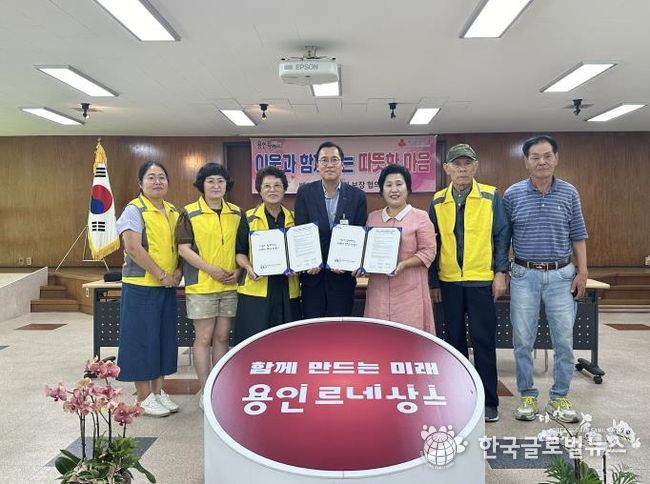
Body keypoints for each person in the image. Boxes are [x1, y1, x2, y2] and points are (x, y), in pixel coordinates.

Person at [504, 134, 588, 423]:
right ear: (526, 162)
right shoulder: (512, 194)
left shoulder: (569, 193)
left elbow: (578, 235)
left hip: (561, 276)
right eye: (535, 157)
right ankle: (527, 395)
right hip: (524, 275)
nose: (542, 161)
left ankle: (559, 397)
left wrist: (583, 272)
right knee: (522, 340)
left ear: (556, 158)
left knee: (563, 341)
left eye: (547, 156)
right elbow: (503, 238)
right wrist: (501, 271)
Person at [428, 144, 509, 423]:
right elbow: (433, 242)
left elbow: (501, 236)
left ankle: (488, 401)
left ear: (475, 166)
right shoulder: (438, 200)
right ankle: (460, 398)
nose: (462, 169)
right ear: (447, 168)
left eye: (467, 164)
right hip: (449, 281)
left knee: (483, 340)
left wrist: (501, 272)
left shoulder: (490, 195)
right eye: (456, 164)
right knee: (453, 341)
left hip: (480, 280)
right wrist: (434, 281)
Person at [116, 161, 181, 417]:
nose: (157, 182)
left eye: (162, 177)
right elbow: (133, 247)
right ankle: (143, 397)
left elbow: (180, 246)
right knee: (141, 340)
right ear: (140, 183)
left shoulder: (172, 210)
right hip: (141, 286)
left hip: (167, 286)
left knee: (163, 339)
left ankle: (158, 391)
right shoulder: (134, 209)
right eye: (151, 177)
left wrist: (177, 272)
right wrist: (161, 274)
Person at [176, 163, 241, 404]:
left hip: (230, 286)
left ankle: (218, 388)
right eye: (210, 181)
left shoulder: (237, 213)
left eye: (220, 181)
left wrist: (237, 271)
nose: (216, 186)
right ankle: (205, 390)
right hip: (202, 286)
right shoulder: (190, 212)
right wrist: (211, 270)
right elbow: (184, 250)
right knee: (203, 338)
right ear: (202, 185)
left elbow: (242, 248)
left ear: (226, 185)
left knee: (223, 337)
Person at [294, 141, 367, 317]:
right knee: (313, 327)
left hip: (343, 279)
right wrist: (307, 261)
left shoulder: (357, 196)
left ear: (342, 164)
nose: (329, 164)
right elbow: (300, 230)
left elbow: (360, 235)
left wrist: (350, 262)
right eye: (324, 160)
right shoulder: (305, 193)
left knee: (340, 327)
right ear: (316, 165)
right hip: (313, 277)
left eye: (334, 159)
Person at [233, 166, 302, 343]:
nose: (272, 190)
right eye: (267, 186)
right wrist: (248, 267)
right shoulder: (248, 218)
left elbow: (301, 254)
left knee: (287, 341)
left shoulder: (295, 219)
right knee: (255, 341)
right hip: (257, 289)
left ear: (284, 189)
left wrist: (300, 267)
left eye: (277, 185)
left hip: (287, 289)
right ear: (260, 190)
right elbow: (239, 253)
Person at [364, 164, 436, 332]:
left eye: (399, 184)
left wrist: (404, 264)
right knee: (378, 336)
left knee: (409, 338)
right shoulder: (373, 218)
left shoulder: (421, 217)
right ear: (382, 190)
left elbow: (429, 252)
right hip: (378, 292)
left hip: (410, 293)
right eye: (388, 185)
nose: (394, 190)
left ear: (407, 188)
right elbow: (366, 250)